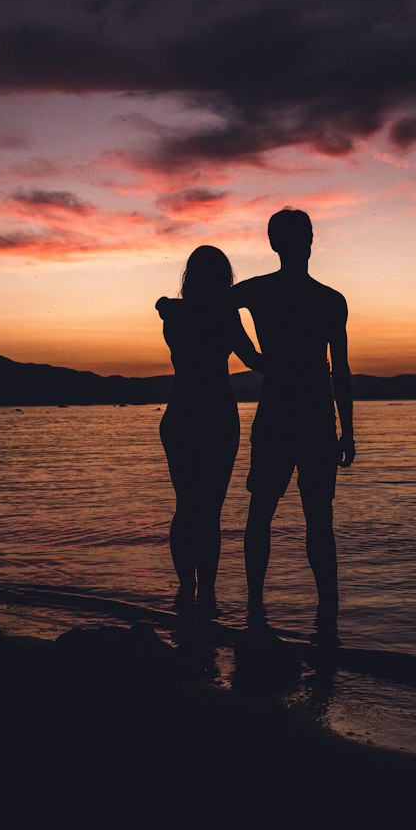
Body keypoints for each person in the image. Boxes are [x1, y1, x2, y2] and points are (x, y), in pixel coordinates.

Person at [232, 209, 355, 625]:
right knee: (300, 515)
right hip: (304, 414)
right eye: (305, 234)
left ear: (274, 243)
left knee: (288, 513)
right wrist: (251, 355)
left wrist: (252, 354)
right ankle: (319, 612)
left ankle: (267, 609)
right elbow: (340, 369)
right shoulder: (326, 299)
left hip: (299, 414)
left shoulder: (315, 298)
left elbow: (213, 304)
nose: (307, 240)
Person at [156, 245, 264, 617]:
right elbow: (254, 361)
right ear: (224, 279)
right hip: (215, 415)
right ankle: (206, 594)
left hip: (182, 413)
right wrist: (298, 364)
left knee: (186, 506)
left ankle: (189, 591)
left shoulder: (174, 313)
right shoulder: (223, 314)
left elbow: (168, 307)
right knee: (208, 510)